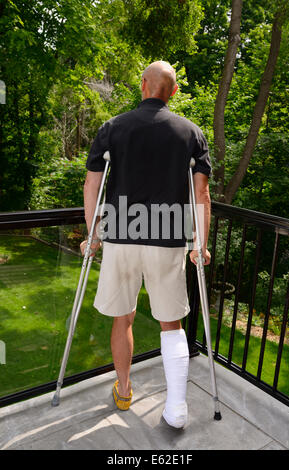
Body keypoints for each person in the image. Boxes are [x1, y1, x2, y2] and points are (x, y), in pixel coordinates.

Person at [80, 61, 212, 429]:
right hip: (167, 237)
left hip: (121, 234)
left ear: (143, 86)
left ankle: (123, 389)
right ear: (171, 91)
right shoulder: (191, 132)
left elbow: (92, 185)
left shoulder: (113, 127)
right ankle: (177, 409)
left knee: (123, 317)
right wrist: (199, 243)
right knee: (172, 323)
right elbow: (201, 194)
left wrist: (93, 233)